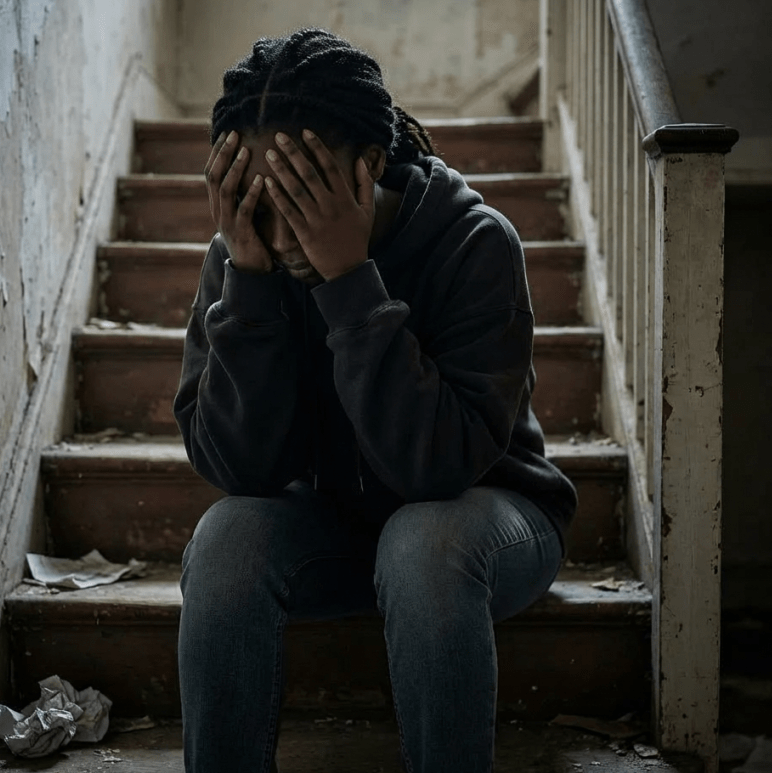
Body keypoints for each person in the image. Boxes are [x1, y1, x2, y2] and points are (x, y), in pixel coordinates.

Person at [173, 28, 577, 773]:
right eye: (255, 200)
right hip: (336, 530)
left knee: (423, 541)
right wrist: (252, 287)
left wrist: (349, 282)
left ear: (370, 165)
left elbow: (438, 467)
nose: (280, 227)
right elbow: (242, 468)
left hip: (487, 520)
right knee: (226, 537)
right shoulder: (243, 257)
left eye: (304, 193)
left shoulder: (476, 243)